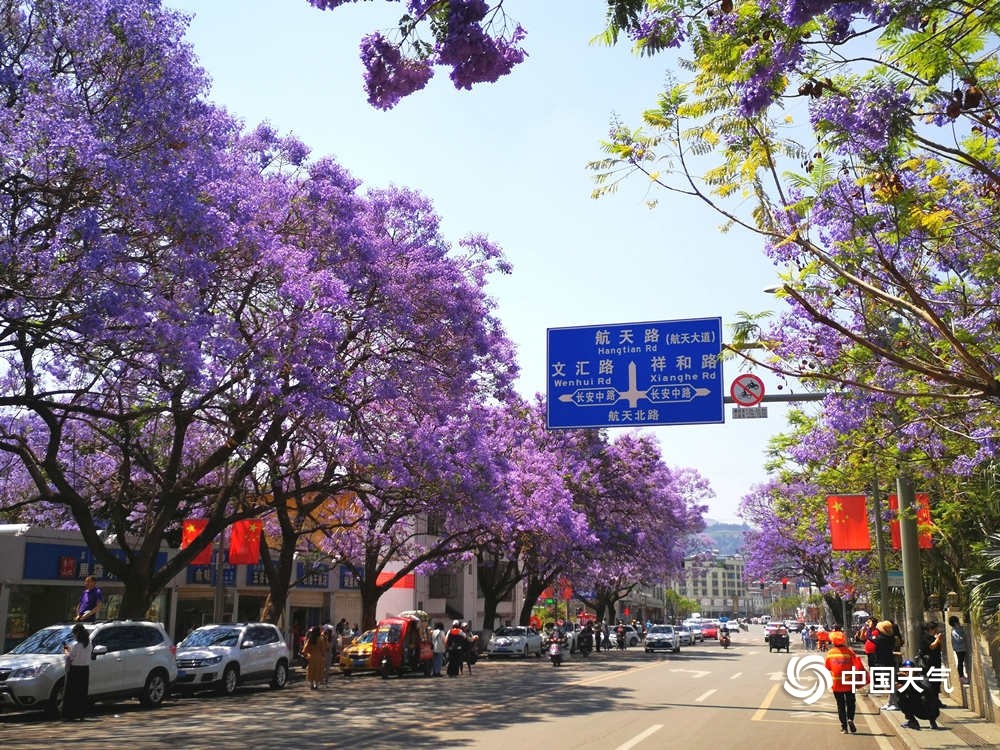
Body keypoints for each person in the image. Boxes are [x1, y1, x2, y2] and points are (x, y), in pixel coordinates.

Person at [824, 629, 866, 734]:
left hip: (836, 683)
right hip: (849, 681)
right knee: (851, 702)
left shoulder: (830, 653)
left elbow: (828, 668)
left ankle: (844, 727)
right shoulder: (849, 652)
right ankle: (850, 718)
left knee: (840, 704)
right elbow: (856, 664)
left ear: (833, 641)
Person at [898, 659, 941, 730]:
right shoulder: (905, 680)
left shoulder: (922, 677)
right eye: (905, 671)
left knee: (928, 698)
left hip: (928, 710)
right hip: (917, 709)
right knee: (900, 697)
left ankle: (932, 721)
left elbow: (926, 690)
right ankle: (912, 721)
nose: (907, 673)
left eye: (909, 670)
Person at [62, 623, 92, 721]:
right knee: (82, 693)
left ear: (77, 633)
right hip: (85, 670)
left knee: (71, 693)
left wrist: (66, 650)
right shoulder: (89, 644)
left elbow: (70, 658)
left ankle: (70, 714)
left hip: (75, 670)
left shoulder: (75, 645)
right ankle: (81, 713)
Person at [301, 625, 328, 690]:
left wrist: (306, 656)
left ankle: (311, 685)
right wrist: (324, 656)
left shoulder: (310, 639)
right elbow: (323, 649)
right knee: (318, 671)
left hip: (311, 657)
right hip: (319, 657)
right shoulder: (321, 639)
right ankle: (316, 685)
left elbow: (305, 649)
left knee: (311, 671)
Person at [948, 615, 969, 684]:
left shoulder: (957, 629)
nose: (959, 623)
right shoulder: (954, 631)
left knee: (961, 662)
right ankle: (961, 677)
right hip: (959, 649)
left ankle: (962, 676)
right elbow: (959, 639)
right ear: (955, 623)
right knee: (960, 662)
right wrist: (963, 635)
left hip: (961, 648)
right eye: (957, 622)